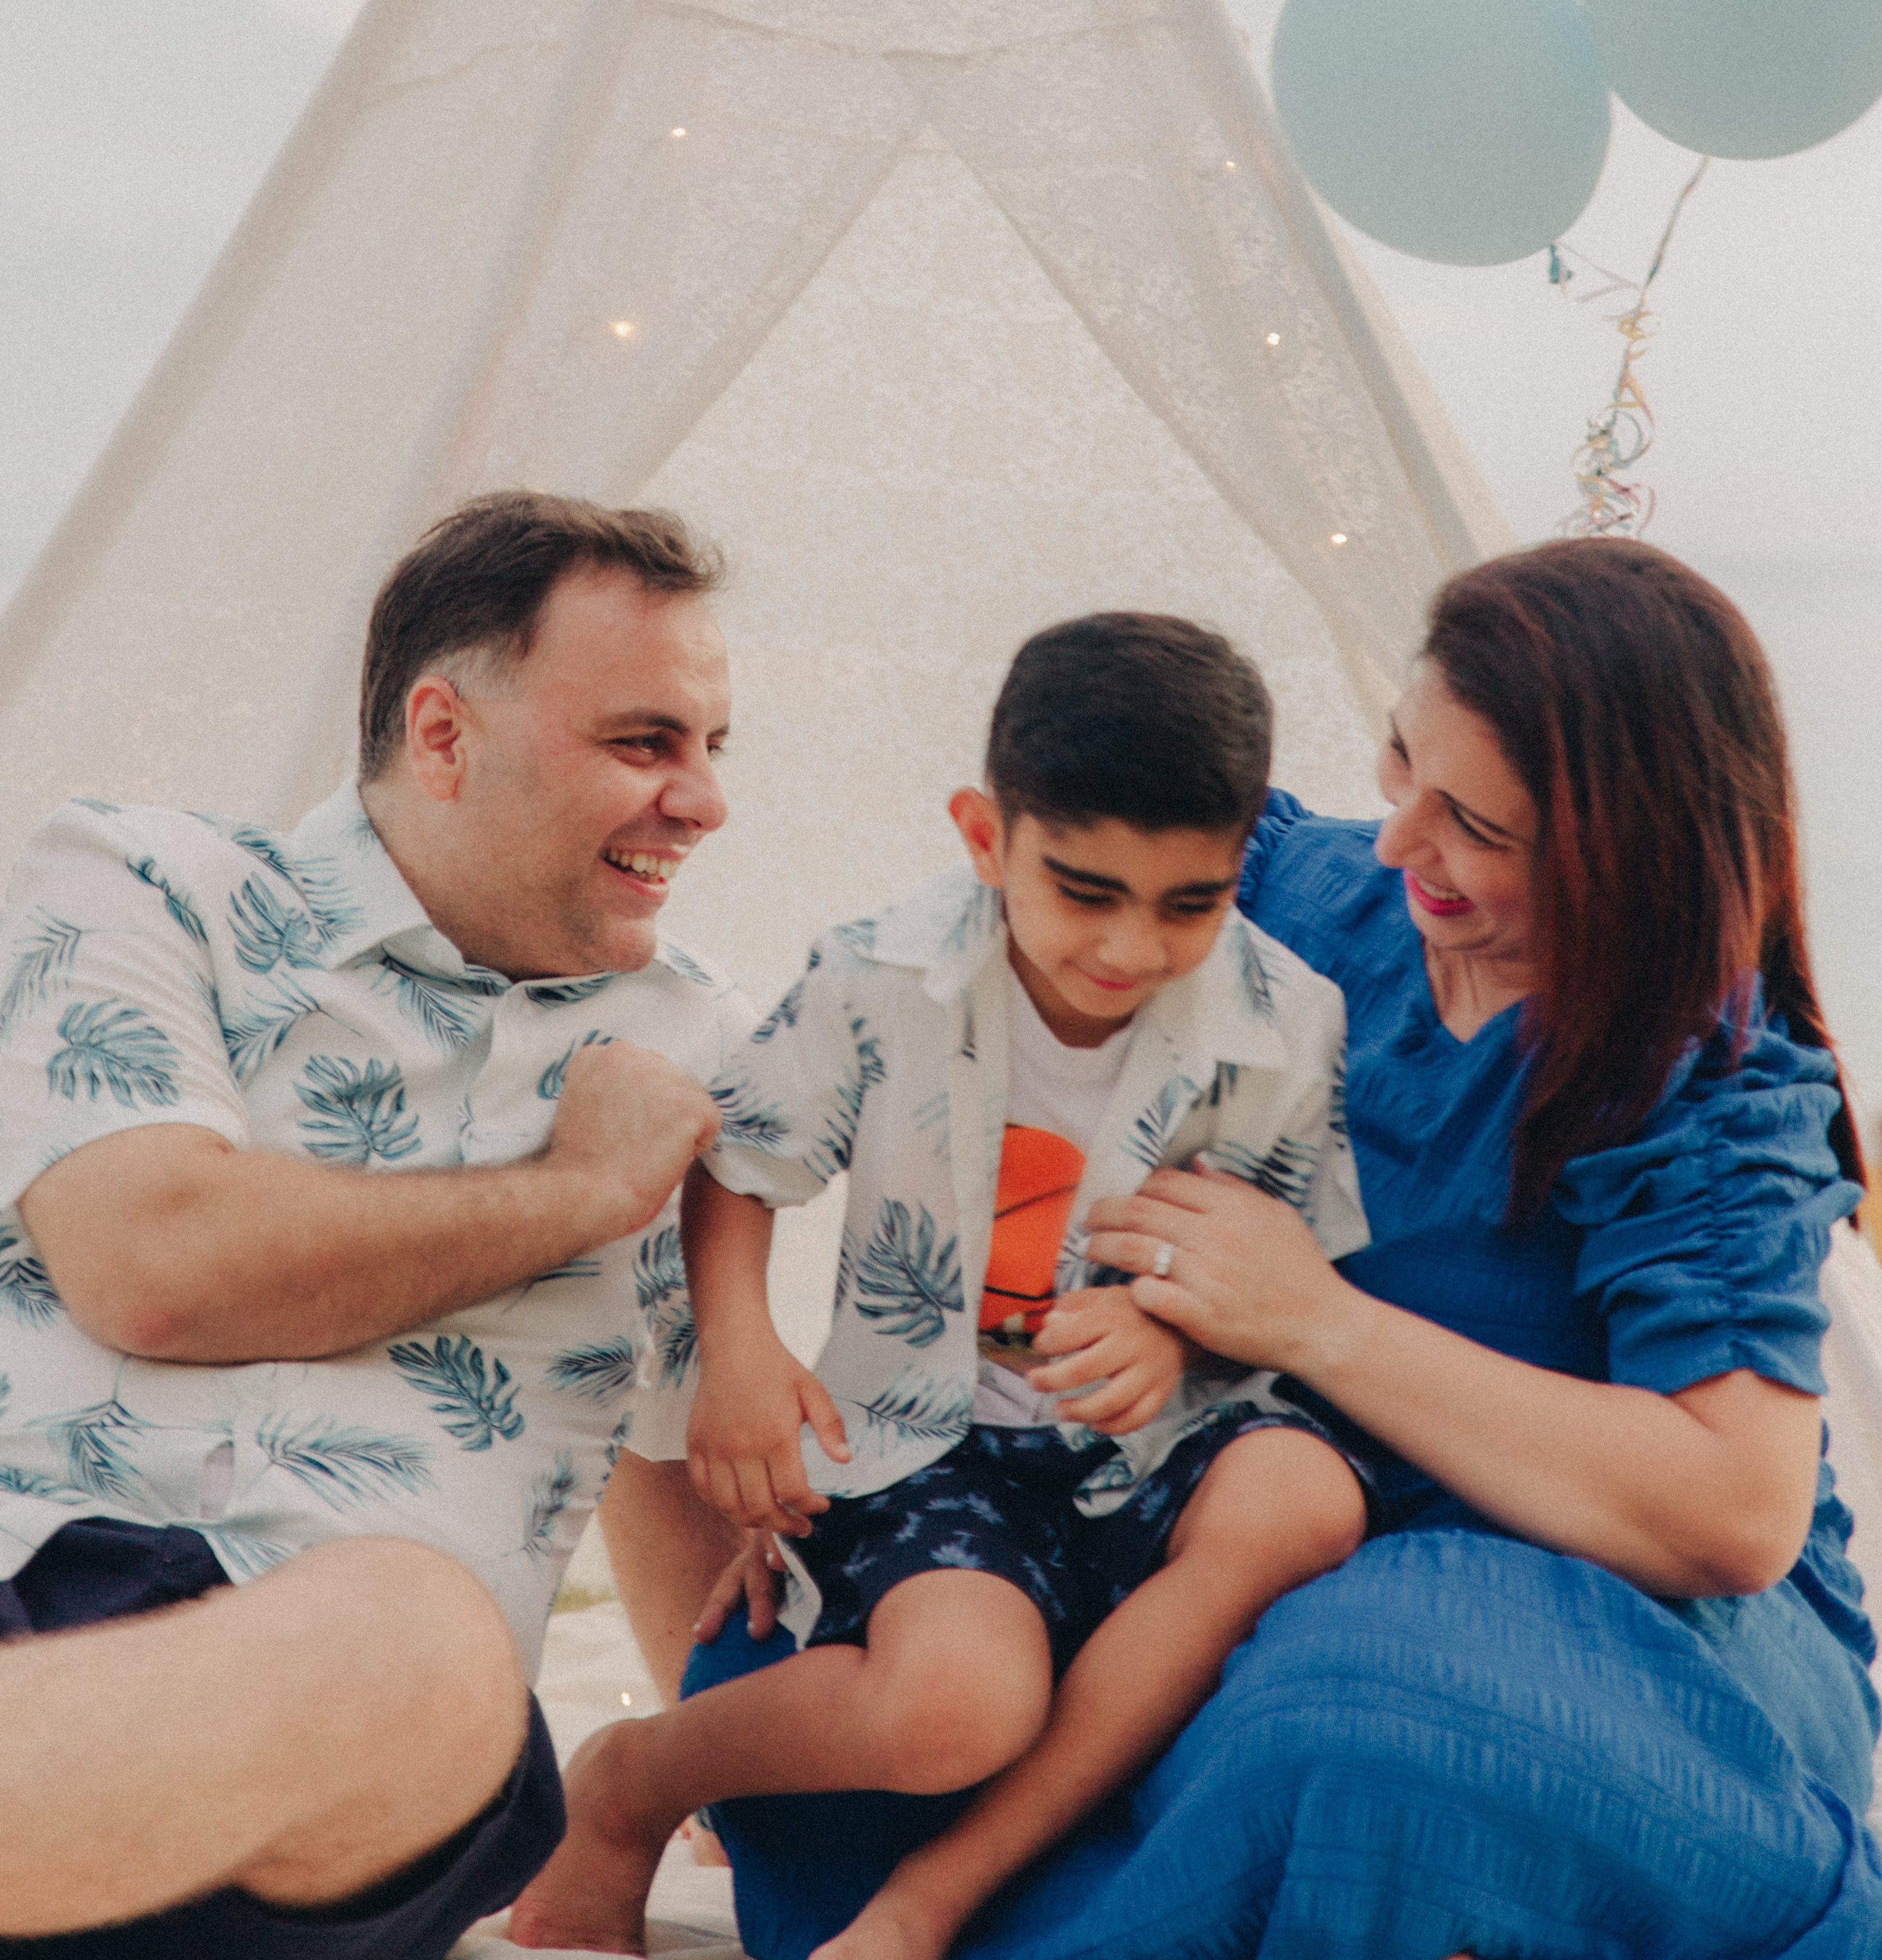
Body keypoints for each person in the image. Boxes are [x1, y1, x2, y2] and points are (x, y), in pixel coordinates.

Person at [682, 538, 1882, 1960]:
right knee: (843, 1676)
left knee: (1369, 1724)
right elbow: (957, 1027)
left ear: (1624, 850)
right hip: (1222, 1499)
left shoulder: (1707, 1077)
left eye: (1478, 831)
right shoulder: (1278, 899)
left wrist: (1317, 1324)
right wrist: (846, 1412)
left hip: (1615, 1610)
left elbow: (1731, 1514)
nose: (1401, 845)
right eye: (1400, 767)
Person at [0, 490, 747, 1958]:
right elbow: (156, 1269)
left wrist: (728, 1781)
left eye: (710, 749)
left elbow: (685, 1445)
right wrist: (579, 1194)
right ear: (443, 735)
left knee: (417, 1639)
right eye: (643, 742)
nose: (701, 799)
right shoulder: (143, 882)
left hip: (358, 1709)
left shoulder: (710, 1062)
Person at [511, 612, 1373, 1955]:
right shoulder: (883, 974)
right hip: (941, 1449)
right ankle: (633, 1782)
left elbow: (1277, 1257)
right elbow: (741, 1161)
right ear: (986, 837)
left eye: (1187, 902)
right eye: (1085, 890)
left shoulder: (1283, 1020)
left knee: (1307, 1490)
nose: (1131, 948)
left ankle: (931, 1908)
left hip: (1158, 1447)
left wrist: (1170, 1334)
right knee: (957, 1708)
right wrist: (741, 1352)